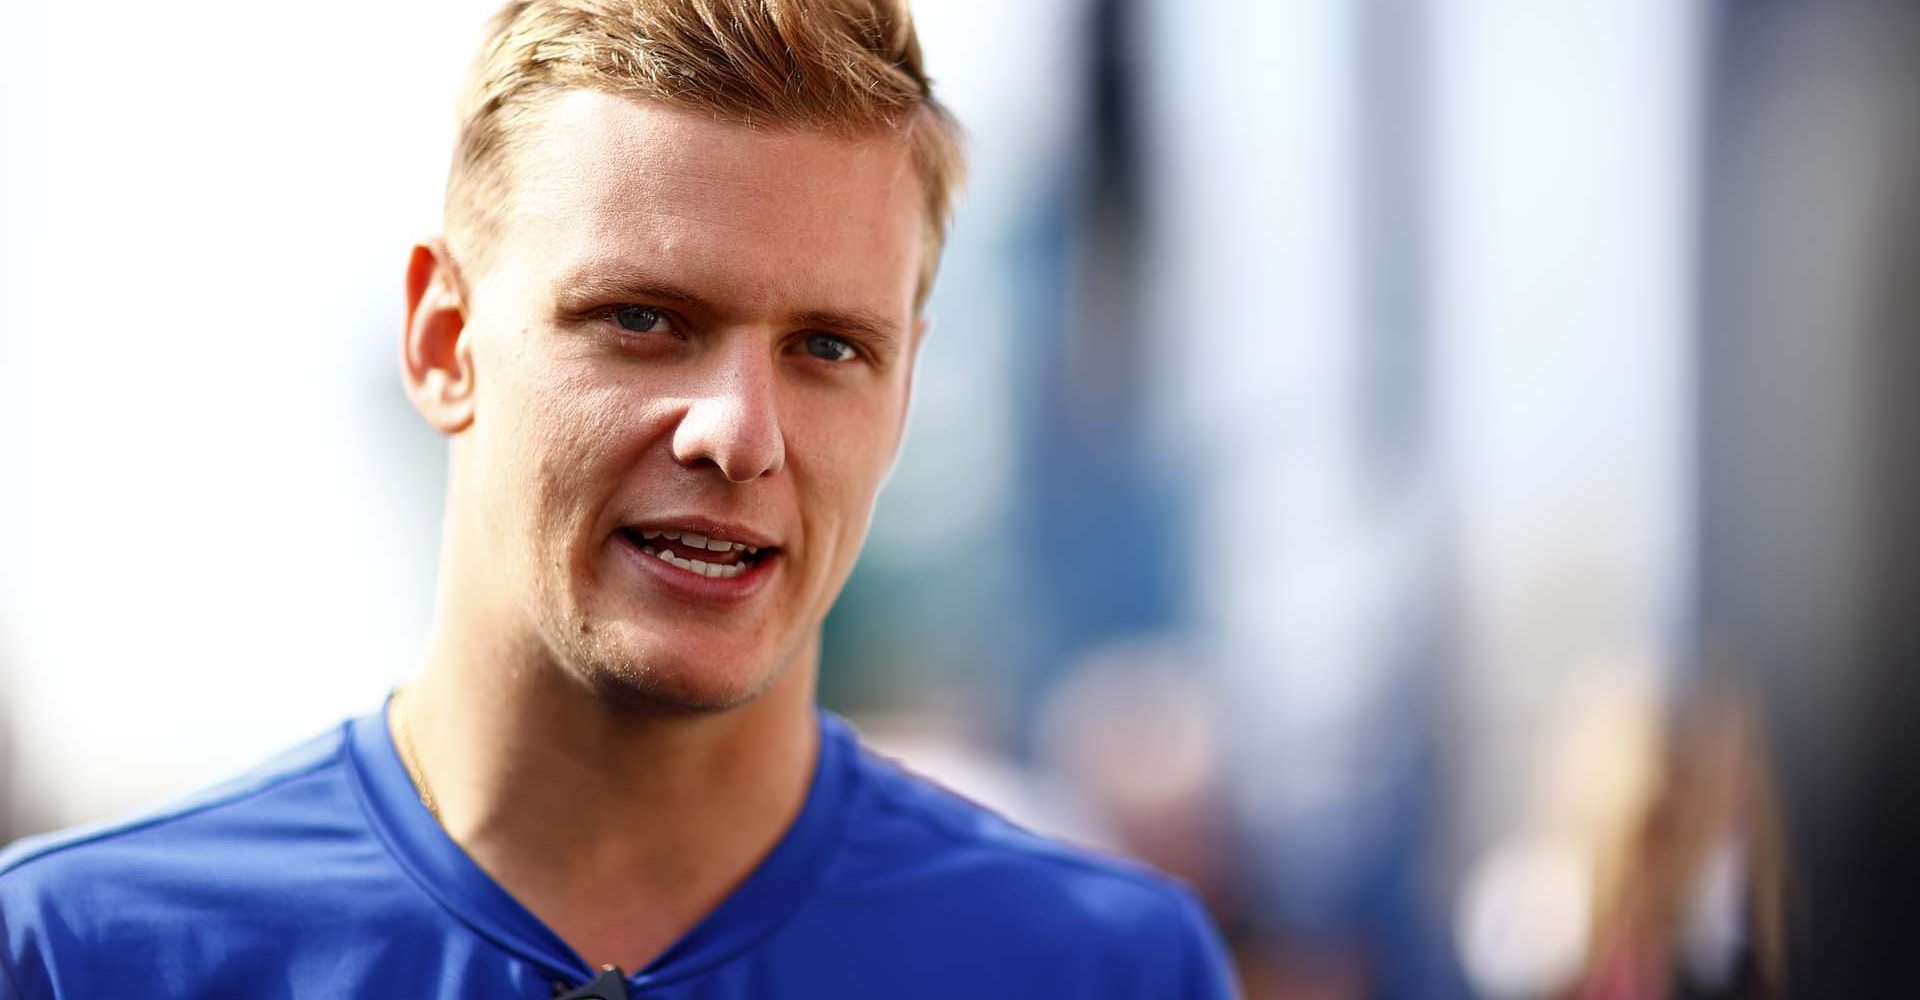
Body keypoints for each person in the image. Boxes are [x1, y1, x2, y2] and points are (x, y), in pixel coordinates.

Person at [0, 1, 1238, 996]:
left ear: (905, 389)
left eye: (828, 349)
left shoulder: (1103, 968)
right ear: (444, 339)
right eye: (642, 319)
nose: (742, 435)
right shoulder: (79, 954)